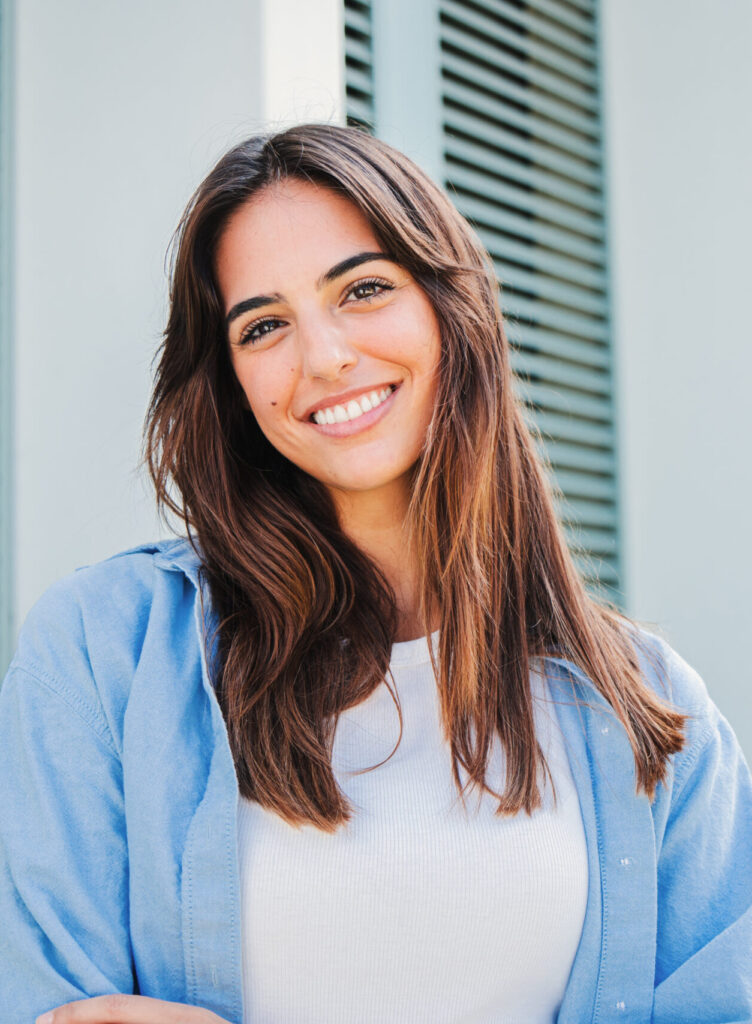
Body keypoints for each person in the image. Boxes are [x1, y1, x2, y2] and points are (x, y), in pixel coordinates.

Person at [0, 123, 750, 1024]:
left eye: (363, 289)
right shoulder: (100, 653)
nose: (322, 358)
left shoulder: (649, 710)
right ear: (230, 377)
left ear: (451, 306)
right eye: (264, 325)